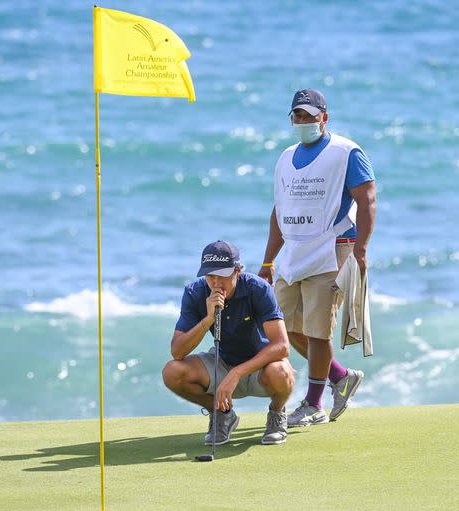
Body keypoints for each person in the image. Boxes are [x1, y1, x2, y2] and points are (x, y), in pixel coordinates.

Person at [259, 88, 377, 427]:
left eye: (309, 116)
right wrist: (268, 261)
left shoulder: (346, 152)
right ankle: (339, 377)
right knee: (280, 326)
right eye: (297, 115)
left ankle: (314, 403)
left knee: (317, 330)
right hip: (294, 253)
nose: (302, 121)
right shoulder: (285, 157)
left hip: (332, 247)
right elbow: (279, 211)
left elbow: (367, 199)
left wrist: (362, 248)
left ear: (324, 117)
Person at [162, 240, 295, 445]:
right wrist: (207, 319)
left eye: (222, 276)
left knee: (282, 373)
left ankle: (277, 413)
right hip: (222, 362)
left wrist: (237, 373)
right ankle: (222, 414)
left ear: (238, 271)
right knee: (172, 371)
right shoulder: (194, 292)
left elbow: (282, 346)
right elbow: (177, 352)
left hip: (262, 367)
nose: (215, 283)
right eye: (210, 276)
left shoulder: (258, 288)